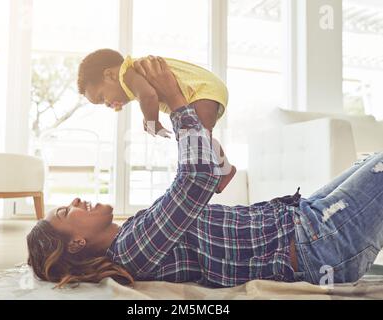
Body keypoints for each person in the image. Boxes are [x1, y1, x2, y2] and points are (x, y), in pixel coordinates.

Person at [27, 57, 383, 289]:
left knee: (369, 159)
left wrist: (210, 161)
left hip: (303, 215)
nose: (74, 201)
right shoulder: (133, 248)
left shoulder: (136, 231)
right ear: (76, 243)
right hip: (317, 243)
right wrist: (176, 100)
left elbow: (197, 184)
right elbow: (195, 180)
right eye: (64, 212)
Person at [77, 49, 236, 193]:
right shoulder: (132, 78)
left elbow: (148, 96)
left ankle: (211, 176)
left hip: (202, 89)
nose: (106, 104)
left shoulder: (127, 73)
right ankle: (225, 169)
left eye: (102, 97)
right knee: (201, 138)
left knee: (198, 140)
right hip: (200, 92)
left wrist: (152, 122)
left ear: (110, 75)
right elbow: (147, 98)